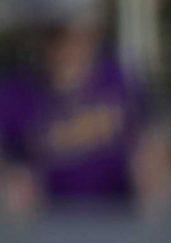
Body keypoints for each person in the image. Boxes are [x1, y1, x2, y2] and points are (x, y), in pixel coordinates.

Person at [0, 0, 158, 212]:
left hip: (118, 220)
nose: (67, 45)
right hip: (44, 227)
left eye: (76, 33)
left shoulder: (119, 80)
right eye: (55, 34)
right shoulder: (17, 91)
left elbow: (151, 148)